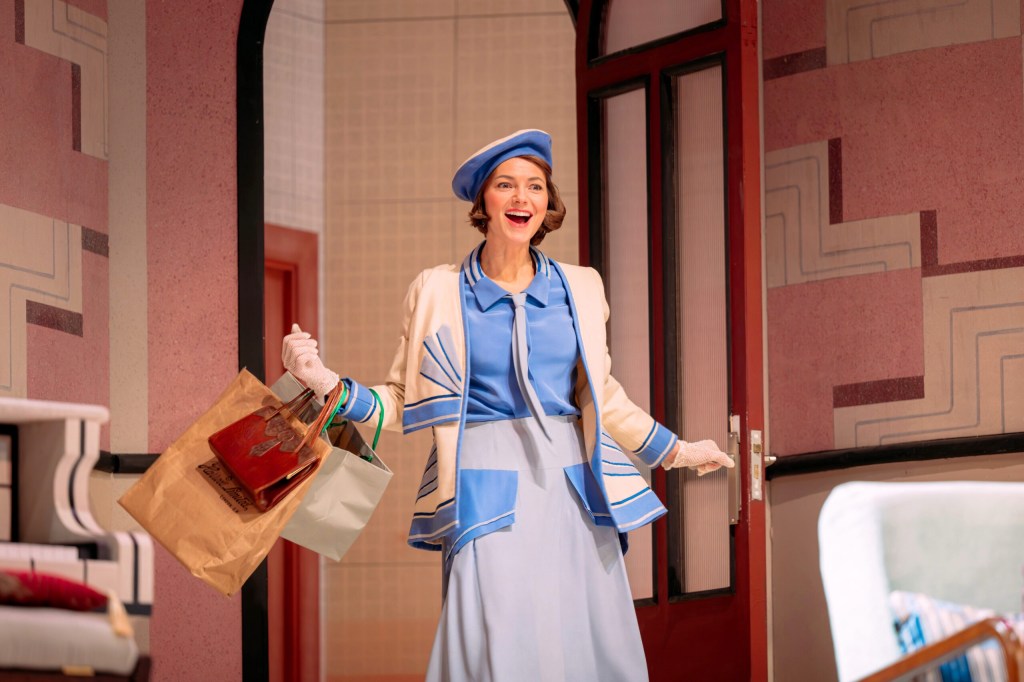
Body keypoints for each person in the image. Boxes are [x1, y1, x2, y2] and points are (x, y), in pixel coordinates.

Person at [282, 129, 734, 681]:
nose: (522, 197)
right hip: (482, 484)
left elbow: (604, 397)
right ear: (484, 202)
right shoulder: (437, 290)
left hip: (572, 487)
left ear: (548, 202)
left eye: (535, 186)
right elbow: (402, 402)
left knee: (585, 647)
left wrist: (678, 451)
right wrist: (328, 383)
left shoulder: (581, 287)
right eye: (506, 185)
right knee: (498, 649)